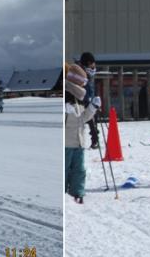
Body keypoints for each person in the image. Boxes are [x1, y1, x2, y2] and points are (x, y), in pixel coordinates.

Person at [65, 65, 100, 204]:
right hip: (66, 143)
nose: (84, 85)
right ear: (75, 81)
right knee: (65, 169)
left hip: (79, 142)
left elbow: (82, 119)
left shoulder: (78, 97)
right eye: (83, 82)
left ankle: (77, 193)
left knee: (79, 170)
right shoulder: (67, 95)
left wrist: (92, 108)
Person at [79, 52, 99, 149]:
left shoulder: (90, 73)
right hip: (84, 100)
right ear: (88, 63)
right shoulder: (82, 73)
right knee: (89, 120)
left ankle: (95, 140)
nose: (94, 65)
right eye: (93, 63)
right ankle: (94, 140)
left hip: (90, 99)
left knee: (93, 121)